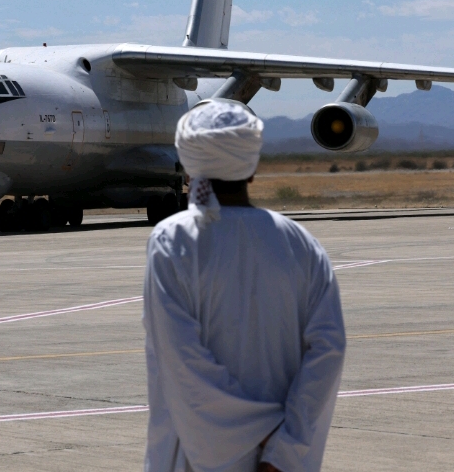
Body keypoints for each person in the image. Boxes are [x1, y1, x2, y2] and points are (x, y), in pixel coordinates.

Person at [143, 99, 346, 472]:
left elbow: (182, 362)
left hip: (194, 456)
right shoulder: (300, 243)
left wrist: (261, 434)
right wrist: (286, 447)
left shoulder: (175, 241)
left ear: (190, 166)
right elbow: (328, 349)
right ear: (251, 169)